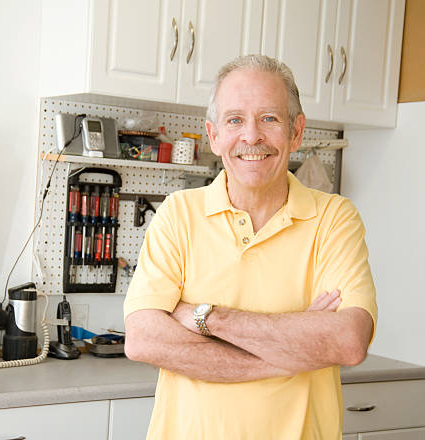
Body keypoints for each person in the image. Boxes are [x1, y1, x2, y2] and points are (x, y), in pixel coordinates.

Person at [123, 54, 377, 440]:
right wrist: (292, 350)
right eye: (235, 119)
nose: (252, 136)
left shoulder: (334, 218)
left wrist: (206, 317)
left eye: (269, 118)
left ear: (296, 132)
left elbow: (348, 340)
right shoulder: (178, 214)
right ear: (214, 135)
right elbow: (144, 339)